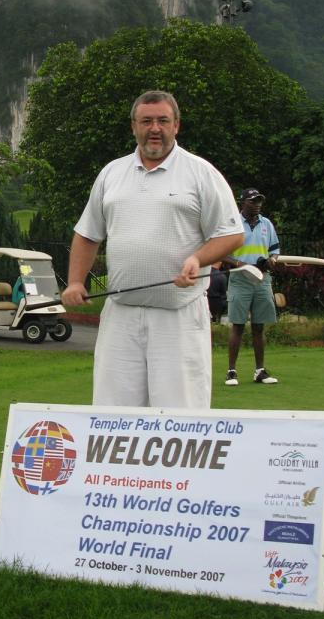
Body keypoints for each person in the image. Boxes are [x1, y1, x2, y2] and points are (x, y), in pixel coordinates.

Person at [61, 90, 244, 409]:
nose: (154, 128)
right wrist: (76, 281)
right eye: (147, 121)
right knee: (112, 415)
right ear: (134, 126)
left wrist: (198, 258)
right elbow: (88, 234)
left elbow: (231, 235)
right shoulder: (111, 173)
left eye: (163, 120)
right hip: (121, 313)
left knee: (180, 417)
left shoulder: (201, 173)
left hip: (179, 315)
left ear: (177, 126)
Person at [224, 188, 280, 386]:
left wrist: (272, 260)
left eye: (259, 201)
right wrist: (240, 264)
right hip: (240, 278)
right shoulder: (233, 223)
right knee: (238, 325)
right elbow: (223, 252)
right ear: (243, 202)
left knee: (259, 326)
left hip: (262, 278)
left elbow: (274, 250)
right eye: (253, 201)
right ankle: (231, 371)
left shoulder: (267, 224)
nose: (257, 204)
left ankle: (260, 371)